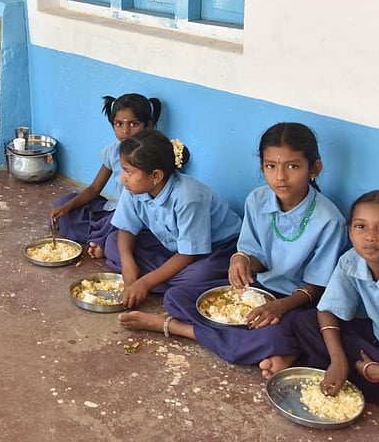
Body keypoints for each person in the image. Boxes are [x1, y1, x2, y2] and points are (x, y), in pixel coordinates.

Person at [122, 123, 349, 364]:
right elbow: (253, 254)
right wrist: (241, 260)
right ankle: (244, 343)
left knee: (287, 333)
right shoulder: (257, 199)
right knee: (176, 297)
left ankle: (177, 327)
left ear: (314, 168)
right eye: (271, 166)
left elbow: (317, 287)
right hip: (258, 290)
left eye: (293, 166)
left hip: (296, 301)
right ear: (262, 167)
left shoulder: (329, 220)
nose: (280, 176)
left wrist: (281, 306)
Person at [266, 191, 379, 426]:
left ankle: (372, 380)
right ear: (350, 230)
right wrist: (338, 359)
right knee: (305, 322)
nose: (370, 237)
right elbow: (327, 310)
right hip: (377, 344)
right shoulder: (351, 260)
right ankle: (355, 373)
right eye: (360, 226)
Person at [102, 129, 241, 310]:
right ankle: (162, 278)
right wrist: (128, 264)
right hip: (171, 245)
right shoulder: (134, 188)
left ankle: (156, 279)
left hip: (215, 249)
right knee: (113, 243)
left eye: (128, 172)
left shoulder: (188, 197)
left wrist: (145, 283)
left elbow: (189, 253)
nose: (123, 178)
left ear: (156, 176)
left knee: (198, 276)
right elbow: (127, 228)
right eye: (123, 170)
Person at [51, 93, 161, 257]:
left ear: (149, 125)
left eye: (134, 124)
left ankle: (103, 241)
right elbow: (95, 188)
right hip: (114, 209)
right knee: (65, 203)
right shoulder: (113, 151)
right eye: (118, 124)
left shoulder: (155, 155)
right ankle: (102, 238)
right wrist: (67, 208)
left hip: (140, 216)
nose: (125, 131)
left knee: (121, 227)